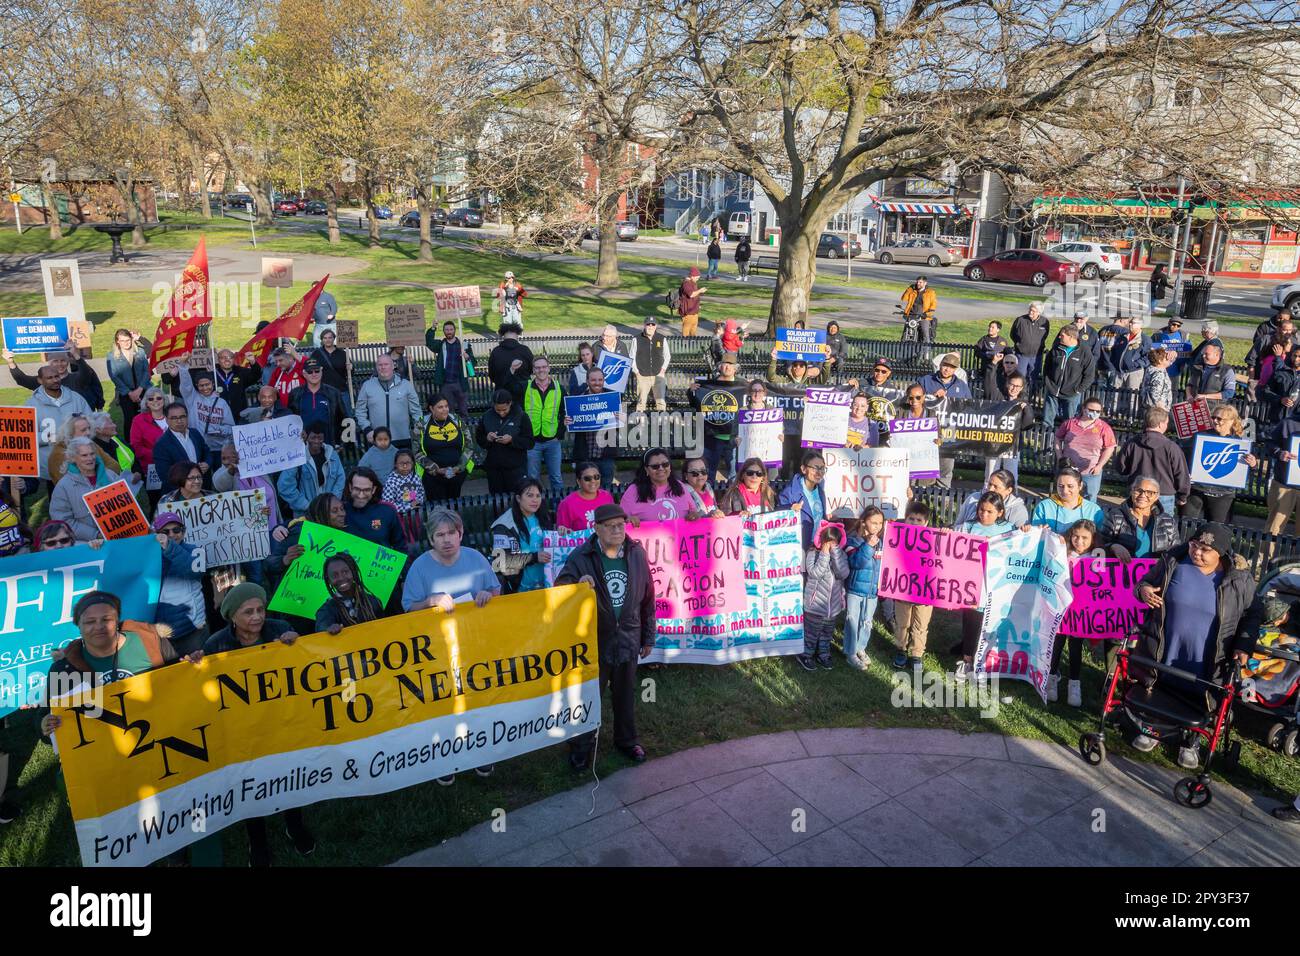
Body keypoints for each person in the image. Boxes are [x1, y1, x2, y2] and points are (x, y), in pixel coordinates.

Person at [201, 582, 313, 862]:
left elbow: (303, 664)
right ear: (232, 617)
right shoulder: (216, 644)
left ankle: (294, 825)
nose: (257, 617)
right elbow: (205, 688)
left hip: (282, 719)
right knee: (251, 782)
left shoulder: (279, 629)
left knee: (289, 774)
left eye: (260, 609)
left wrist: (295, 643)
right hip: (243, 728)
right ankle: (257, 840)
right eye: (248, 612)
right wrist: (195, 665)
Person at [1132, 522, 1254, 768]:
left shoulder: (1238, 580)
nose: (1196, 552)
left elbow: (1252, 613)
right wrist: (1143, 590)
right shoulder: (1173, 562)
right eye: (1194, 545)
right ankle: (1155, 728)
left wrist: (1243, 645)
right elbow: (1142, 584)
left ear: (1220, 553)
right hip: (1168, 642)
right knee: (1162, 682)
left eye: (1205, 550)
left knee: (1202, 693)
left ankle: (1191, 741)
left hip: (1209, 651)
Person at [555, 503, 656, 768]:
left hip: (629, 635)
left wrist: (648, 636)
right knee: (588, 695)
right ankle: (581, 746)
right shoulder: (581, 556)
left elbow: (648, 597)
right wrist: (576, 585)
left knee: (625, 693)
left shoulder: (636, 553)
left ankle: (627, 741)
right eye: (609, 526)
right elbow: (560, 589)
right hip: (594, 639)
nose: (616, 530)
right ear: (596, 528)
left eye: (620, 525)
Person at [955, 492, 1015, 682]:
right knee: (971, 623)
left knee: (991, 625)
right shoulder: (969, 527)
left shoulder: (1010, 529)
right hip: (972, 585)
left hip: (996, 587)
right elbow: (952, 542)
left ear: (1000, 512)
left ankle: (986, 661)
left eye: (990, 511)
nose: (984, 514)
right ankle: (967, 660)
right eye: (981, 510)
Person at [1052, 519, 1103, 706]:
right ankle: (1051, 679)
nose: (1079, 541)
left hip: (1081, 613)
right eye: (1075, 536)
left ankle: (1074, 683)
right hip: (1061, 608)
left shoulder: (1098, 557)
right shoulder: (1062, 553)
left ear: (1093, 539)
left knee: (1075, 647)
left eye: (1084, 538)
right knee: (1056, 643)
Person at [1181, 405, 1255, 523]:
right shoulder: (1201, 436)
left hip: (1223, 493)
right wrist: (1187, 473)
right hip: (1197, 489)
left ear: (1232, 421)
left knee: (1215, 530)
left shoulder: (1241, 442)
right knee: (1186, 525)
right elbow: (1184, 457)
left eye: (1219, 419)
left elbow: (1244, 471)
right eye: (1213, 417)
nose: (1215, 421)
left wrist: (1252, 464)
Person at [49, 438, 129, 541]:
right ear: (73, 458)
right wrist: (96, 535)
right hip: (85, 543)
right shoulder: (63, 486)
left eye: (92, 454)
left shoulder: (110, 476)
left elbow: (127, 505)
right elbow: (63, 521)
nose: (90, 458)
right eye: (84, 455)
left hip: (120, 537)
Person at [1113, 406, 1189, 516]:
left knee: (1134, 527)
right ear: (1160, 424)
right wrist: (1183, 496)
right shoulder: (1172, 447)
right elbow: (1181, 474)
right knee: (1162, 530)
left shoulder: (1132, 443)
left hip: (1138, 492)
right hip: (1163, 494)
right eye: (1166, 423)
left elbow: (1121, 468)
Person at [151, 511, 208, 655]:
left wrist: (169, 547)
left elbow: (195, 571)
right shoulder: (148, 556)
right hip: (161, 634)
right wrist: (99, 547)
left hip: (192, 629)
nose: (171, 534)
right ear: (156, 533)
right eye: (165, 531)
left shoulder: (195, 550)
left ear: (183, 532)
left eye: (176, 530)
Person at [796, 522, 849, 671]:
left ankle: (823, 654)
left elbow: (843, 573)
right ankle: (805, 654)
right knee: (812, 633)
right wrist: (824, 554)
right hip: (815, 605)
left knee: (827, 632)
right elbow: (815, 574)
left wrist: (837, 554)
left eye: (835, 542)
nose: (831, 544)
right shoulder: (813, 554)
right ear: (822, 540)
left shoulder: (841, 555)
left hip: (833, 606)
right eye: (828, 541)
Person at [26, 364, 92, 481]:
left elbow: (91, 422)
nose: (55, 380)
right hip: (50, 466)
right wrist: (50, 437)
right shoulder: (31, 405)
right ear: (40, 380)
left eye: (57, 376)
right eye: (49, 378)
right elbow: (27, 437)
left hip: (79, 462)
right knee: (57, 497)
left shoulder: (76, 398)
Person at [891, 500, 936, 670]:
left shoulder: (934, 539)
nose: (915, 523)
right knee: (902, 622)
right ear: (905, 518)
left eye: (919, 520)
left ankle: (916, 653)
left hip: (925, 591)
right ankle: (901, 649)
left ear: (926, 522)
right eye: (911, 519)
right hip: (902, 588)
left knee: (921, 624)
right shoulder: (898, 536)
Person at [489, 477, 553, 594]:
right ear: (518, 498)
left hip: (547, 587)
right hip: (519, 592)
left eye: (538, 496)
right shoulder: (504, 525)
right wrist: (533, 557)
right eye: (529, 495)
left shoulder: (545, 516)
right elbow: (500, 562)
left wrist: (563, 534)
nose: (535, 500)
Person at [844, 505, 885, 670]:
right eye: (873, 522)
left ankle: (861, 647)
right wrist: (867, 546)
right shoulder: (853, 540)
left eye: (880, 523)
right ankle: (850, 652)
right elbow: (855, 563)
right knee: (852, 620)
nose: (877, 526)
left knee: (867, 622)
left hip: (872, 592)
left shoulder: (880, 543)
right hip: (855, 589)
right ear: (863, 523)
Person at [176, 354, 235, 468]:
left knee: (218, 477)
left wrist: (218, 430)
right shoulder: (192, 398)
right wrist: (182, 365)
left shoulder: (221, 402)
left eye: (207, 384)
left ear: (213, 384)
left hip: (218, 448)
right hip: (199, 446)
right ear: (197, 386)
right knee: (203, 478)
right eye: (201, 386)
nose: (205, 388)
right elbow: (186, 385)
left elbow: (231, 428)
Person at [689, 352, 741, 481]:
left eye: (730, 364)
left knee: (735, 474)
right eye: (724, 364)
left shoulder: (743, 385)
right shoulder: (707, 386)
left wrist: (751, 387)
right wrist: (691, 391)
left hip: (733, 438)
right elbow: (695, 404)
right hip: (712, 437)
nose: (727, 367)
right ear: (719, 367)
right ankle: (708, 499)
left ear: (735, 368)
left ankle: (733, 499)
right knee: (708, 473)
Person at [1103, 475, 1181, 559]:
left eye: (1150, 493)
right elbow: (1102, 543)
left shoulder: (1168, 521)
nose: (1143, 495)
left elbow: (1176, 550)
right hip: (1123, 569)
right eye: (1138, 490)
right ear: (1132, 492)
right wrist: (1113, 546)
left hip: (1157, 570)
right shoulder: (1115, 516)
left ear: (1156, 497)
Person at [566, 366, 619, 491]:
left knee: (606, 489)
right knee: (585, 490)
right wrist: (568, 422)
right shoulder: (578, 400)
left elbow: (618, 427)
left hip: (606, 454)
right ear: (587, 381)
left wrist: (621, 418)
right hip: (585, 455)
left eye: (600, 380)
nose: (597, 383)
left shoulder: (611, 398)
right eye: (594, 380)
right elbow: (574, 427)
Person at [355, 353, 421, 450]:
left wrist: (419, 428)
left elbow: (417, 410)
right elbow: (360, 411)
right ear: (376, 367)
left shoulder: (406, 385)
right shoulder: (367, 386)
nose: (383, 367)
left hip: (403, 439)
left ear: (393, 366)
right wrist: (367, 429)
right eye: (380, 365)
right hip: (378, 440)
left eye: (386, 364)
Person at [1054, 398, 1117, 501]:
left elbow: (1110, 448)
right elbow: (1057, 438)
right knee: (1065, 497)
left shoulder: (1104, 428)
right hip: (1068, 469)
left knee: (1090, 499)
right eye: (1091, 410)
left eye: (1098, 411)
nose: (1094, 413)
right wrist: (1059, 456)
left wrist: (1100, 465)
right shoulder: (1070, 423)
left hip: (1091, 471)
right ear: (1083, 408)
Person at [277, 423, 345, 517]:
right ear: (307, 438)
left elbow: (340, 479)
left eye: (320, 438)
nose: (316, 441)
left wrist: (331, 503)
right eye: (313, 437)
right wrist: (307, 506)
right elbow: (284, 486)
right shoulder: (297, 457)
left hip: (329, 514)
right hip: (305, 515)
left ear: (324, 438)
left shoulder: (332, 455)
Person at [213, 442, 282, 534]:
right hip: (247, 535)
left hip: (273, 529)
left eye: (231, 457)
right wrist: (231, 470)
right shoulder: (223, 473)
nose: (226, 461)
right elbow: (219, 485)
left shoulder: (259, 468)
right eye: (223, 458)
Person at [476, 388, 535, 494]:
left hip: (515, 468)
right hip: (494, 468)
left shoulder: (521, 416)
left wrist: (512, 440)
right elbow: (479, 438)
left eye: (504, 410)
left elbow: (530, 442)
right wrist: (487, 439)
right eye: (498, 410)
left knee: (517, 498)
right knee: (497, 500)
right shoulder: (486, 416)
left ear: (510, 403)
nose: (501, 413)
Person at [418, 394, 473, 503]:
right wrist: (436, 470)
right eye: (440, 407)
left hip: (456, 474)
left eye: (446, 406)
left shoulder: (456, 420)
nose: (445, 410)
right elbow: (417, 452)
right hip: (432, 476)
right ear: (431, 408)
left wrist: (459, 467)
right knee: (438, 509)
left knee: (454, 506)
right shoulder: (421, 424)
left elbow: (469, 445)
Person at [523, 356, 565, 495]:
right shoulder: (526, 387)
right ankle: (535, 510)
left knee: (556, 478)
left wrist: (559, 435)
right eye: (537, 367)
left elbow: (565, 412)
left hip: (552, 441)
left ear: (548, 368)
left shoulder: (559, 388)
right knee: (532, 479)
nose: (541, 370)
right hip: (532, 442)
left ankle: (559, 509)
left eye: (544, 367)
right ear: (533, 370)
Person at [315, 553, 386, 634]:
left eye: (345, 572)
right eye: (335, 575)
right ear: (329, 580)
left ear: (353, 572)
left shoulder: (374, 602)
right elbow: (321, 627)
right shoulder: (326, 610)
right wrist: (328, 629)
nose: (341, 578)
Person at [619, 448, 694, 524]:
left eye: (665, 464)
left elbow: (693, 511)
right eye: (655, 466)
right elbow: (620, 521)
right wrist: (629, 520)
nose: (661, 468)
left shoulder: (680, 486)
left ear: (670, 467)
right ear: (646, 470)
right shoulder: (633, 491)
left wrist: (694, 516)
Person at [1041, 325, 1095, 426]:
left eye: (1062, 335)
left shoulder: (1085, 352)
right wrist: (1048, 382)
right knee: (1046, 421)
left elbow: (1089, 375)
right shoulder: (1056, 348)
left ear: (1071, 337)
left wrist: (1078, 390)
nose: (1059, 337)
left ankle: (1066, 440)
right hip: (1053, 390)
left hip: (1072, 393)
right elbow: (1047, 366)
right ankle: (1046, 438)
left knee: (1069, 422)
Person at [152, 402, 210, 494]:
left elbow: (207, 452)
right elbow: (164, 475)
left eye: (182, 417)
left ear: (187, 417)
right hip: (180, 494)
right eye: (174, 418)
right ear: (166, 420)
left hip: (203, 489)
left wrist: (207, 463)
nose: (179, 421)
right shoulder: (161, 444)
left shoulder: (195, 433)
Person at [288, 358, 348, 447]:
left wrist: (341, 442)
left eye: (317, 371)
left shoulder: (334, 393)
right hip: (303, 445)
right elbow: (290, 420)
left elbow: (343, 418)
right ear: (304, 374)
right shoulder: (295, 394)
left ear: (321, 372)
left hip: (328, 444)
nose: (314, 374)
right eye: (310, 372)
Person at [342, 466, 404, 551]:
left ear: (374, 489)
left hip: (381, 563)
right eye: (357, 489)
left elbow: (400, 545)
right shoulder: (340, 511)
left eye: (366, 490)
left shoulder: (387, 511)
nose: (361, 495)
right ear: (350, 487)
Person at [777, 449, 829, 550]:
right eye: (815, 468)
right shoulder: (790, 492)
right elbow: (777, 515)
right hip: (799, 548)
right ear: (804, 469)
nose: (819, 472)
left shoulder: (824, 489)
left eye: (822, 468)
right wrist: (790, 509)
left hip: (820, 546)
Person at [1028, 466, 1104, 535]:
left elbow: (1099, 537)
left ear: (1080, 486)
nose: (1065, 491)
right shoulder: (1044, 506)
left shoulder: (1093, 509)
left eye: (1070, 486)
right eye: (1061, 486)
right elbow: (1036, 534)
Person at [106, 329, 152, 436]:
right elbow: (114, 376)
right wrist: (130, 393)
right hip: (126, 394)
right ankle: (131, 444)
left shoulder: (139, 352)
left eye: (128, 340)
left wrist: (140, 389)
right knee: (130, 420)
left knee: (147, 418)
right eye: (122, 341)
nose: (126, 343)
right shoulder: (112, 356)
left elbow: (147, 371)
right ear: (117, 341)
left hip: (143, 390)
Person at [129, 386, 170, 499]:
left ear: (164, 400)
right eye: (151, 399)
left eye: (159, 398)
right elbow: (136, 446)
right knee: (156, 501)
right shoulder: (138, 420)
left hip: (175, 465)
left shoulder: (172, 416)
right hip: (152, 468)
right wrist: (158, 455)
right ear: (146, 403)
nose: (155, 401)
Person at [380, 449, 425, 552]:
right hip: (400, 518)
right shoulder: (391, 481)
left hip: (415, 514)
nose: (405, 466)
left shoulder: (415, 477)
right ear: (395, 464)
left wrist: (418, 502)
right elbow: (388, 505)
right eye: (401, 463)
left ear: (413, 463)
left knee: (418, 538)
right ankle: (409, 557)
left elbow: (421, 493)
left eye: (408, 463)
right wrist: (409, 506)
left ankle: (419, 554)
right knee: (408, 542)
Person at [48, 414, 111, 485]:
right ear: (70, 433)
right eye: (83, 430)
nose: (88, 433)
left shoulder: (89, 444)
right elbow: (68, 485)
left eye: (89, 428)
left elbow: (113, 465)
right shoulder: (58, 454)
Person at [955, 468, 1030, 527]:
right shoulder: (973, 498)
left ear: (1009, 490)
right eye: (990, 484)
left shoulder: (1018, 510)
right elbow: (958, 525)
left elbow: (1019, 537)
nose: (990, 489)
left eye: (996, 487)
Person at [556, 462, 616, 532]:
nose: (593, 481)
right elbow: (563, 532)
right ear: (578, 481)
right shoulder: (567, 504)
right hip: (581, 542)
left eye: (597, 477)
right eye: (587, 478)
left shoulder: (606, 496)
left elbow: (614, 520)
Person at [427, 321, 470, 419]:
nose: (449, 331)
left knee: (463, 410)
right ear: (444, 331)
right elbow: (429, 342)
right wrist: (433, 328)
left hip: (460, 382)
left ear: (455, 330)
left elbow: (473, 363)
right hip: (446, 384)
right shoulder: (441, 345)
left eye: (451, 329)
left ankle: (465, 431)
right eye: (446, 330)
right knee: (448, 411)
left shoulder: (463, 345)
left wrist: (467, 357)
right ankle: (451, 430)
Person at [630, 317, 671, 413]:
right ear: (644, 325)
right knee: (641, 402)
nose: (650, 326)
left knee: (661, 401)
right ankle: (639, 420)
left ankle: (662, 420)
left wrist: (662, 371)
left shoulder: (661, 338)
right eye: (648, 324)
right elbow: (631, 357)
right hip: (642, 375)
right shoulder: (636, 339)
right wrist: (637, 373)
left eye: (653, 324)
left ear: (656, 326)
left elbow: (667, 356)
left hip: (658, 375)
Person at [487, 323, 534, 402]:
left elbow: (492, 375)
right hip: (523, 391)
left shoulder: (496, 352)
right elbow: (532, 369)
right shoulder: (525, 350)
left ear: (503, 335)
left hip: (502, 391)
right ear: (517, 335)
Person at [1011, 302, 1050, 392]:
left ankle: (1030, 396)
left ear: (1039, 312)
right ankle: (1019, 396)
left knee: (1033, 377)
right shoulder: (1020, 320)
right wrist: (1020, 344)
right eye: (1030, 310)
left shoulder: (1045, 322)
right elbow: (1013, 334)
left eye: (1034, 311)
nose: (1031, 312)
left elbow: (1045, 335)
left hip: (1036, 356)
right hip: (1022, 355)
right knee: (1020, 377)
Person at [1108, 315, 1151, 391]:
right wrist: (1115, 362)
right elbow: (1114, 350)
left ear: (1140, 325)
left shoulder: (1145, 339)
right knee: (1114, 396)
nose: (1130, 324)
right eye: (1130, 322)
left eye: (1133, 323)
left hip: (1134, 372)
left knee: (1131, 397)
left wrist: (1134, 364)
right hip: (1119, 371)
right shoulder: (1123, 336)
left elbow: (1148, 357)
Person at [1261, 344, 1300, 424]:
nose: (1296, 359)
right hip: (1277, 419)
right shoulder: (1280, 372)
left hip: (1296, 422)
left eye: (1299, 357)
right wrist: (1280, 399)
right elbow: (1265, 391)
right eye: (1294, 355)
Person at [975, 321, 1011, 399]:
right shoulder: (984, 339)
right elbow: (977, 352)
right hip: (987, 368)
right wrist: (988, 356)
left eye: (992, 327)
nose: (990, 329)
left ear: (998, 329)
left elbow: (1008, 352)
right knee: (988, 387)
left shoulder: (1002, 341)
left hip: (999, 369)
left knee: (998, 386)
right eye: (989, 327)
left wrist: (1003, 355)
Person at [311, 330, 350, 396]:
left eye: (330, 337)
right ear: (322, 340)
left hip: (341, 390)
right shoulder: (317, 353)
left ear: (334, 338)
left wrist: (351, 368)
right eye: (325, 338)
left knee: (345, 406)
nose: (327, 340)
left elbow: (349, 372)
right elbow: (310, 369)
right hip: (324, 391)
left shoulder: (342, 353)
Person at [899, 276, 937, 342]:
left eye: (920, 282)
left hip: (923, 316)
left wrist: (927, 313)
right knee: (905, 333)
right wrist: (909, 289)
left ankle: (926, 351)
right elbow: (904, 298)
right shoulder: (913, 291)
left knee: (925, 332)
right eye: (917, 282)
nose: (918, 284)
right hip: (911, 315)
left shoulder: (930, 292)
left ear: (925, 283)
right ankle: (902, 349)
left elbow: (933, 304)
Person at [1138, 347, 1175, 412]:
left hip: (1149, 407)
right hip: (1157, 410)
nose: (1169, 359)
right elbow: (1155, 393)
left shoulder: (1151, 369)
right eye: (1166, 358)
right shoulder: (1159, 374)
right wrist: (1163, 408)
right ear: (1160, 361)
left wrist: (1174, 353)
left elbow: (1171, 361)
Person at [678, 266, 706, 337]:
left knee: (693, 330)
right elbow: (691, 295)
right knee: (686, 331)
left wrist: (698, 305)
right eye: (697, 277)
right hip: (688, 312)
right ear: (692, 276)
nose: (697, 279)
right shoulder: (686, 284)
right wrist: (700, 290)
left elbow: (695, 294)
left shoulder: (693, 283)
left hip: (694, 311)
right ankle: (685, 344)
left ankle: (692, 343)